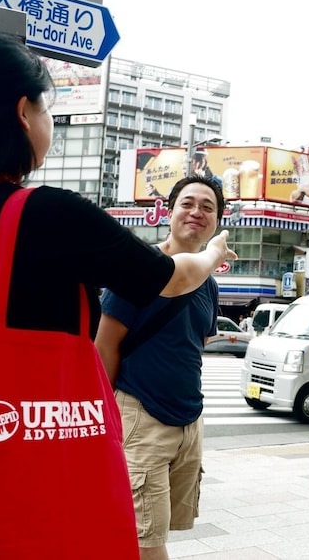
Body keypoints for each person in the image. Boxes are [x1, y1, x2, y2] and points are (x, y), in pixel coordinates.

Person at [0, 31, 234, 560]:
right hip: (15, 491)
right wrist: (213, 255)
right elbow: (171, 276)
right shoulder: (50, 214)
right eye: (47, 108)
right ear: (23, 112)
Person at [95, 174, 223, 560]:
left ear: (217, 220)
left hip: (188, 420)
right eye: (187, 203)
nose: (196, 212)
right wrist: (111, 418)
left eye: (207, 206)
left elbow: (195, 345)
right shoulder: (139, 267)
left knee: (151, 530)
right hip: (141, 416)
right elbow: (105, 345)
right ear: (167, 212)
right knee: (145, 540)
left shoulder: (208, 282)